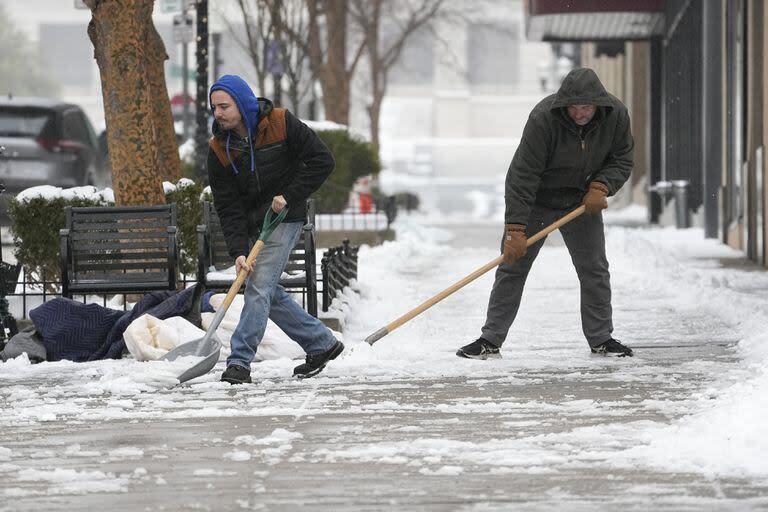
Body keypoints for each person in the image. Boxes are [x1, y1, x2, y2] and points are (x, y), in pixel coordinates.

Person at [457, 67, 635, 360]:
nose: (580, 114)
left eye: (587, 107)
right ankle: (490, 339)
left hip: (581, 203)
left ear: (598, 104)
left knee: (594, 269)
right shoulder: (544, 119)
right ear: (565, 103)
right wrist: (515, 229)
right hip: (537, 200)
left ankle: (601, 338)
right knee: (512, 266)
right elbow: (522, 175)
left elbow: (623, 157)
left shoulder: (615, 115)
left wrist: (601, 186)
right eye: (575, 107)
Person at [207, 74, 343, 384]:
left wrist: (290, 194)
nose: (218, 114)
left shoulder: (281, 122)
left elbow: (323, 161)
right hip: (255, 225)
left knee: (258, 287)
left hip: (284, 218)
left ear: (241, 103)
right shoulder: (218, 149)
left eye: (224, 106)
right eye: (214, 108)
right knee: (266, 289)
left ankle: (239, 362)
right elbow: (228, 207)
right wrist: (239, 251)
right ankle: (321, 343)